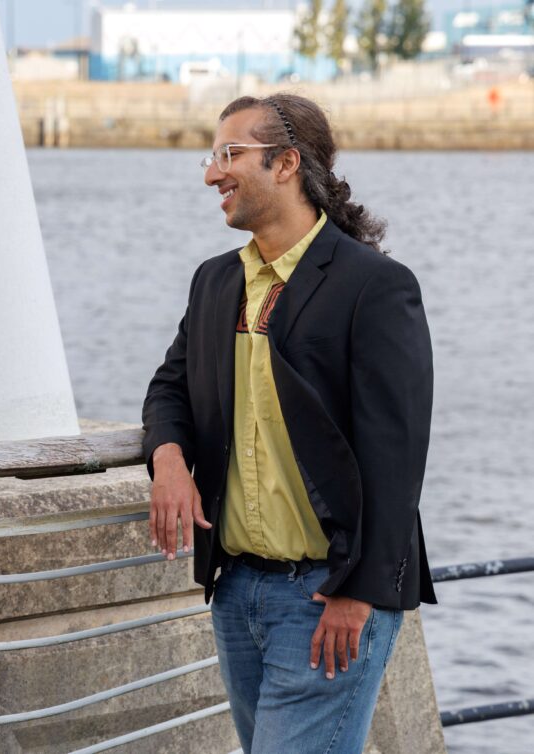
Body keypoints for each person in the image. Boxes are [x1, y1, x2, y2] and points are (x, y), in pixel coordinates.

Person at [141, 94, 434, 753]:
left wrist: (358, 593)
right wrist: (168, 461)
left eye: (229, 154)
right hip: (235, 592)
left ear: (286, 164)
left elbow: (397, 456)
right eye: (211, 156)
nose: (212, 173)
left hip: (328, 597)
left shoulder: (375, 285)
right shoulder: (215, 282)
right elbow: (169, 388)